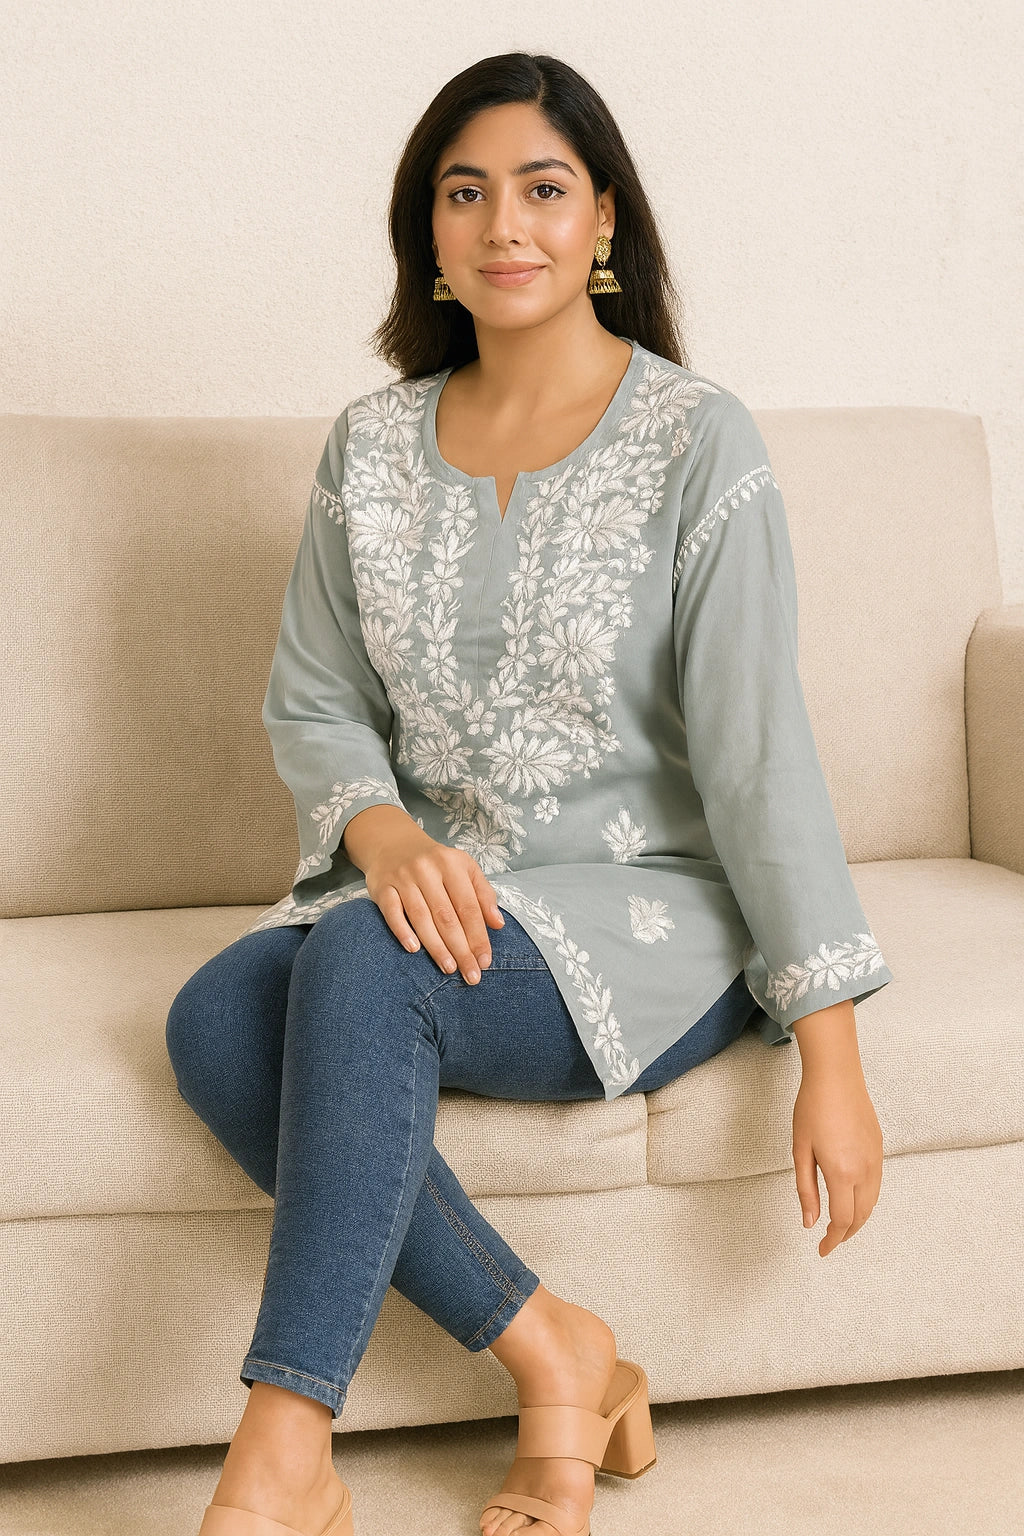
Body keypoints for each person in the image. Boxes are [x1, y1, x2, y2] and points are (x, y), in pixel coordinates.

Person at [166, 50, 893, 1536]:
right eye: (465, 192)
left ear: (604, 218)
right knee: (218, 1014)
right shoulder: (370, 449)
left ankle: (284, 1449)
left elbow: (757, 750)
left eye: (544, 189)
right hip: (435, 894)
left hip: (651, 919)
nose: (505, 224)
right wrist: (381, 834)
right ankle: (556, 1349)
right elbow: (314, 697)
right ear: (427, 231)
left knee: (362, 960)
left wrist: (831, 1048)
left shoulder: (700, 441)